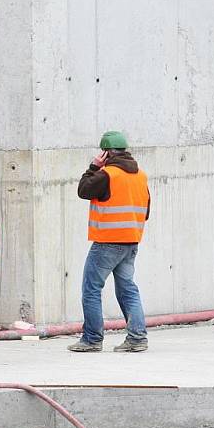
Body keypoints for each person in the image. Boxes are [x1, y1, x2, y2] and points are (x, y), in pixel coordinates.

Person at [67, 131, 150, 353]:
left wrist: (94, 167)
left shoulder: (107, 175)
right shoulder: (141, 175)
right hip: (131, 241)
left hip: (107, 243)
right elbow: (146, 211)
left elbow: (83, 190)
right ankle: (137, 337)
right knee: (127, 289)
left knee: (91, 289)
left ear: (105, 152)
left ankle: (92, 339)